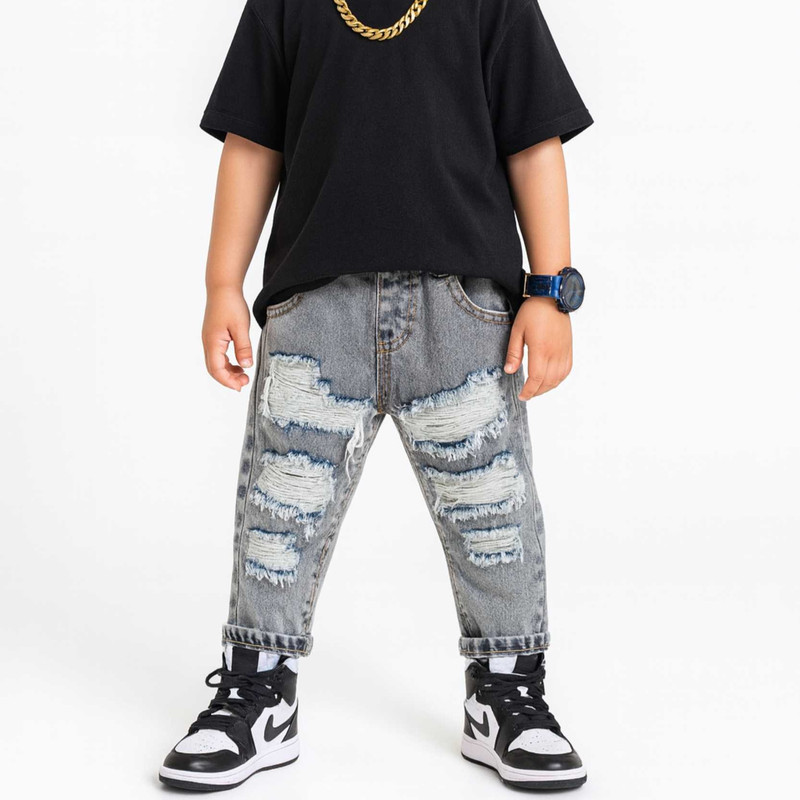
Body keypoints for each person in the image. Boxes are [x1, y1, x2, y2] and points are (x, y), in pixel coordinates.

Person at [159, 0, 593, 792]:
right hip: (315, 310)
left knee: (490, 510)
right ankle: (260, 691)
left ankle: (506, 693)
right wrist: (223, 283)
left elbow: (534, 142)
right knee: (280, 512)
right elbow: (252, 142)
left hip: (465, 312)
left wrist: (550, 291)